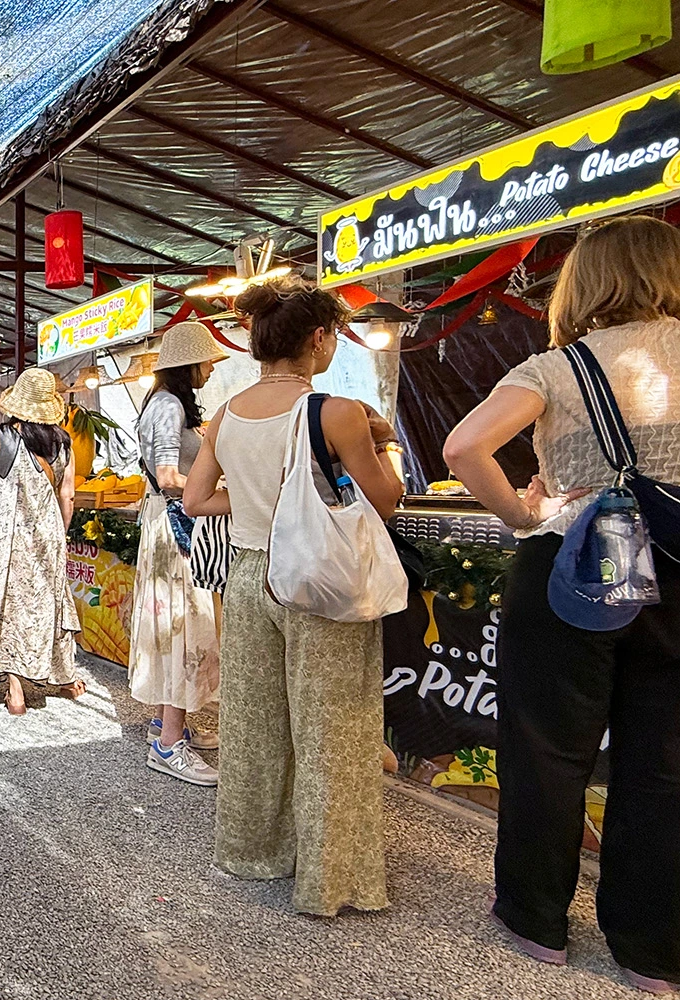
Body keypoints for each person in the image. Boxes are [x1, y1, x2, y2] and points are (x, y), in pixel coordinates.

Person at [443, 216, 680, 992]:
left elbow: (460, 448)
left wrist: (522, 514)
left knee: (546, 746)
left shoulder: (555, 366)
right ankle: (651, 951)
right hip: (676, 565)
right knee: (664, 760)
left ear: (585, 280)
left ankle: (534, 919)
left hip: (573, 558)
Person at [182, 275, 402, 917]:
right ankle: (331, 877)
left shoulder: (225, 415)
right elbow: (384, 500)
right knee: (331, 726)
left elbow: (195, 500)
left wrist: (256, 505)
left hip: (250, 576)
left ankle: (254, 851)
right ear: (317, 339)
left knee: (254, 722)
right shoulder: (335, 411)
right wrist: (382, 439)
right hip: (318, 578)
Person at [131, 321, 227, 787]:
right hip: (177, 527)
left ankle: (166, 724)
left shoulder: (160, 403)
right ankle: (168, 744)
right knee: (181, 627)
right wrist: (218, 489)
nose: (211, 368)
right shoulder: (168, 406)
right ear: (189, 364)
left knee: (172, 626)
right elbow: (169, 475)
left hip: (165, 523)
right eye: (207, 360)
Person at [0, 368, 81, 716]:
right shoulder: (64, 443)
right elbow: (67, 495)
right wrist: (61, 533)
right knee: (43, 607)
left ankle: (15, 691)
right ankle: (54, 674)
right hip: (47, 537)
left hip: (5, 538)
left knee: (4, 608)